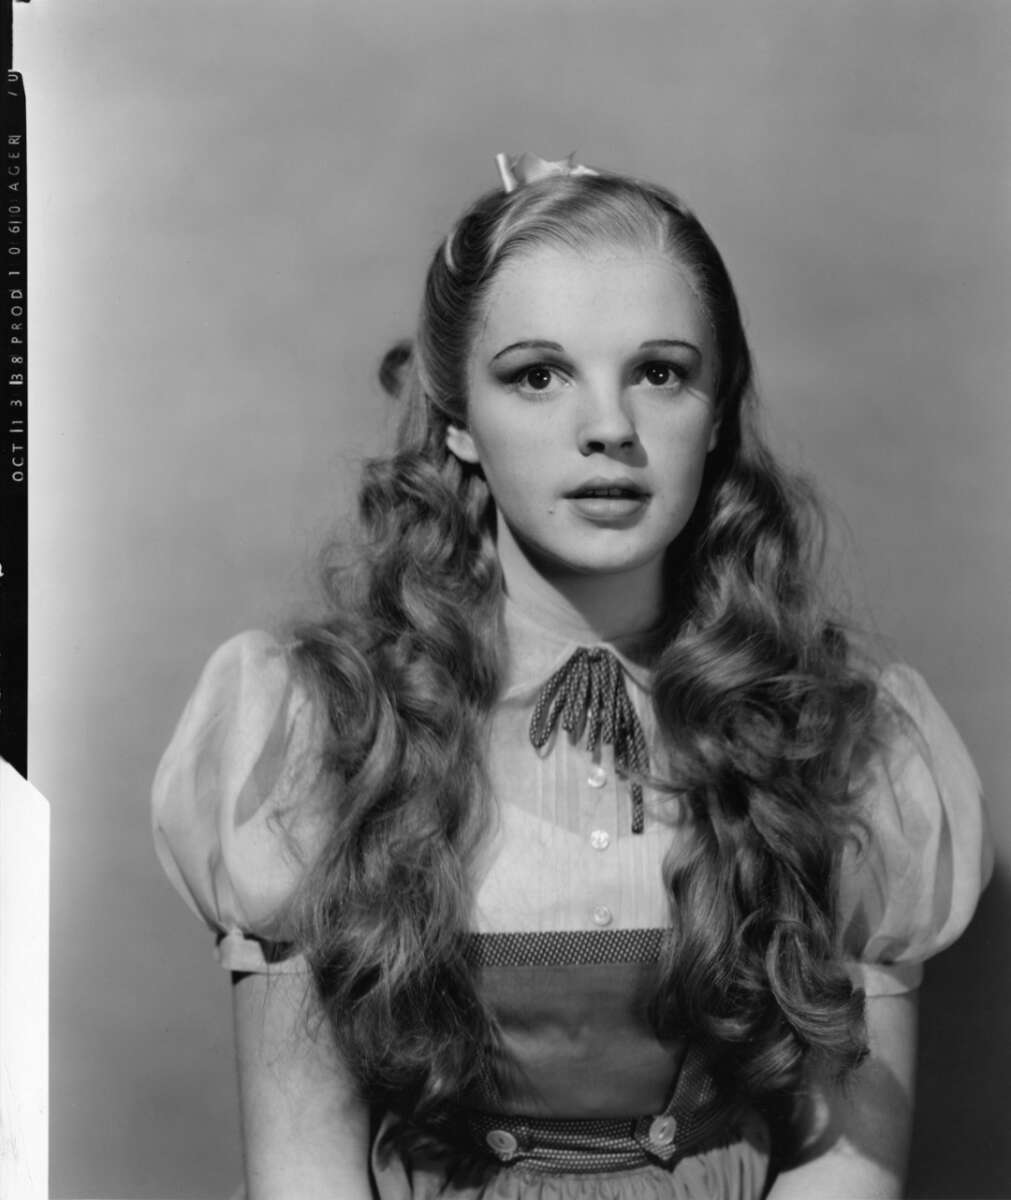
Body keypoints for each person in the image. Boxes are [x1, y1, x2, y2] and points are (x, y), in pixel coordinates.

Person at [152, 152, 992, 1199]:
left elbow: (848, 1167)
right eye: (537, 375)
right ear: (457, 413)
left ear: (720, 408)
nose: (608, 429)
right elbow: (303, 1174)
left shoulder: (844, 737)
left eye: (660, 371)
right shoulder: (319, 728)